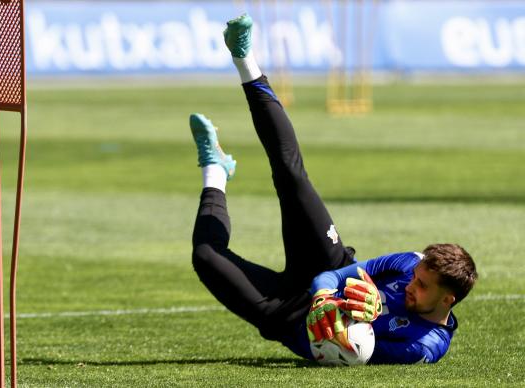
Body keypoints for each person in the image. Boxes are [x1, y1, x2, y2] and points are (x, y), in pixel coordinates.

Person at [190, 14, 478, 365]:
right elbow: (332, 275)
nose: (409, 286)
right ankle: (244, 58)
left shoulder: (424, 346)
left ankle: (215, 173)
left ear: (448, 300)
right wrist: (328, 294)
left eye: (421, 287)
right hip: (324, 261)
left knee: (205, 256)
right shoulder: (411, 263)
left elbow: (357, 353)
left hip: (288, 319)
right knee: (291, 176)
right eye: (416, 279)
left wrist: (358, 318)